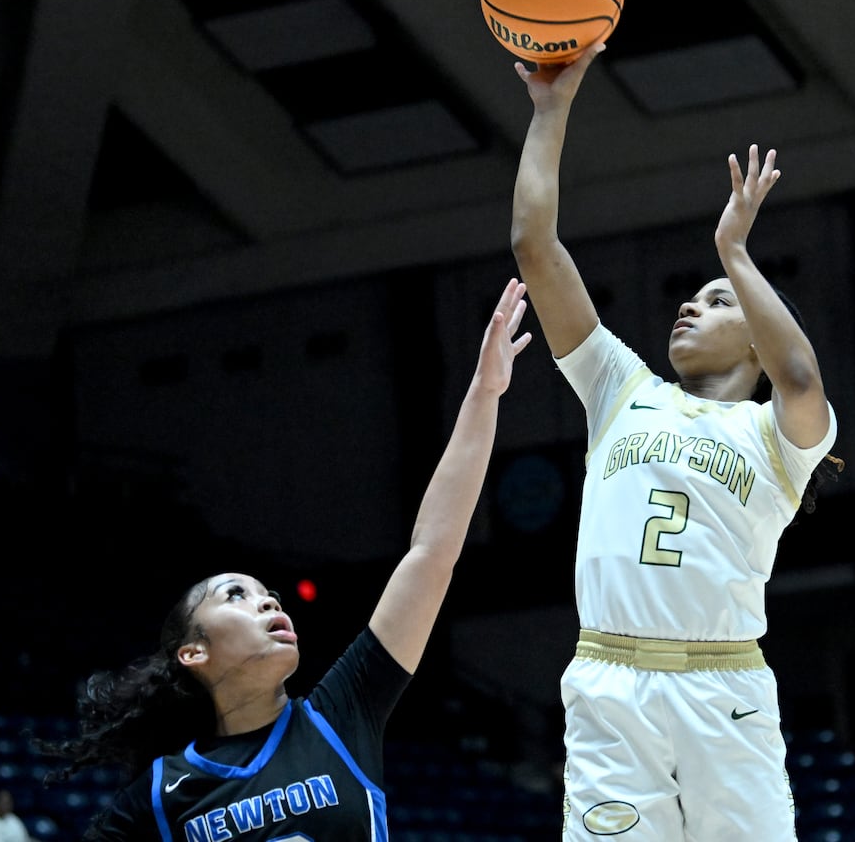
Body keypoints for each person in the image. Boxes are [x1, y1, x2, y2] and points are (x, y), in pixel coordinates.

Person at [31, 279, 533, 841]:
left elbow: (431, 551)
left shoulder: (342, 714)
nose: (268, 599)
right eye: (235, 595)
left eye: (265, 591)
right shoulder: (157, 798)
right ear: (193, 651)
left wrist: (485, 393)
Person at [508, 43, 843, 841]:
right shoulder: (619, 389)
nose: (689, 309)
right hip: (609, 681)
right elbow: (534, 246)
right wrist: (549, 113)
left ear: (755, 342)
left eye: (717, 302)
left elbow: (799, 373)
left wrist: (735, 251)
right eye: (689, 299)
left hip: (721, 687)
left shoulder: (776, 434)